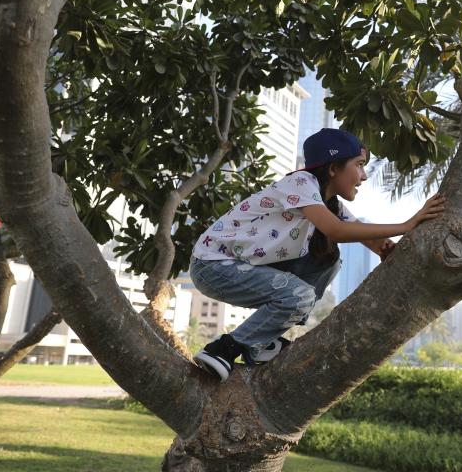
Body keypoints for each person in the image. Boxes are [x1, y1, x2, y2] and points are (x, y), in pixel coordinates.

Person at [190, 127, 445, 380]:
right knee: (301, 295)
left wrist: (387, 248)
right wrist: (406, 225)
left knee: (329, 261)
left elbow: (359, 231)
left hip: (239, 267)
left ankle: (262, 342)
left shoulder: (328, 202)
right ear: (333, 168)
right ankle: (223, 349)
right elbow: (337, 230)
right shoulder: (301, 182)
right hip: (212, 266)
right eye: (359, 164)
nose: (364, 176)